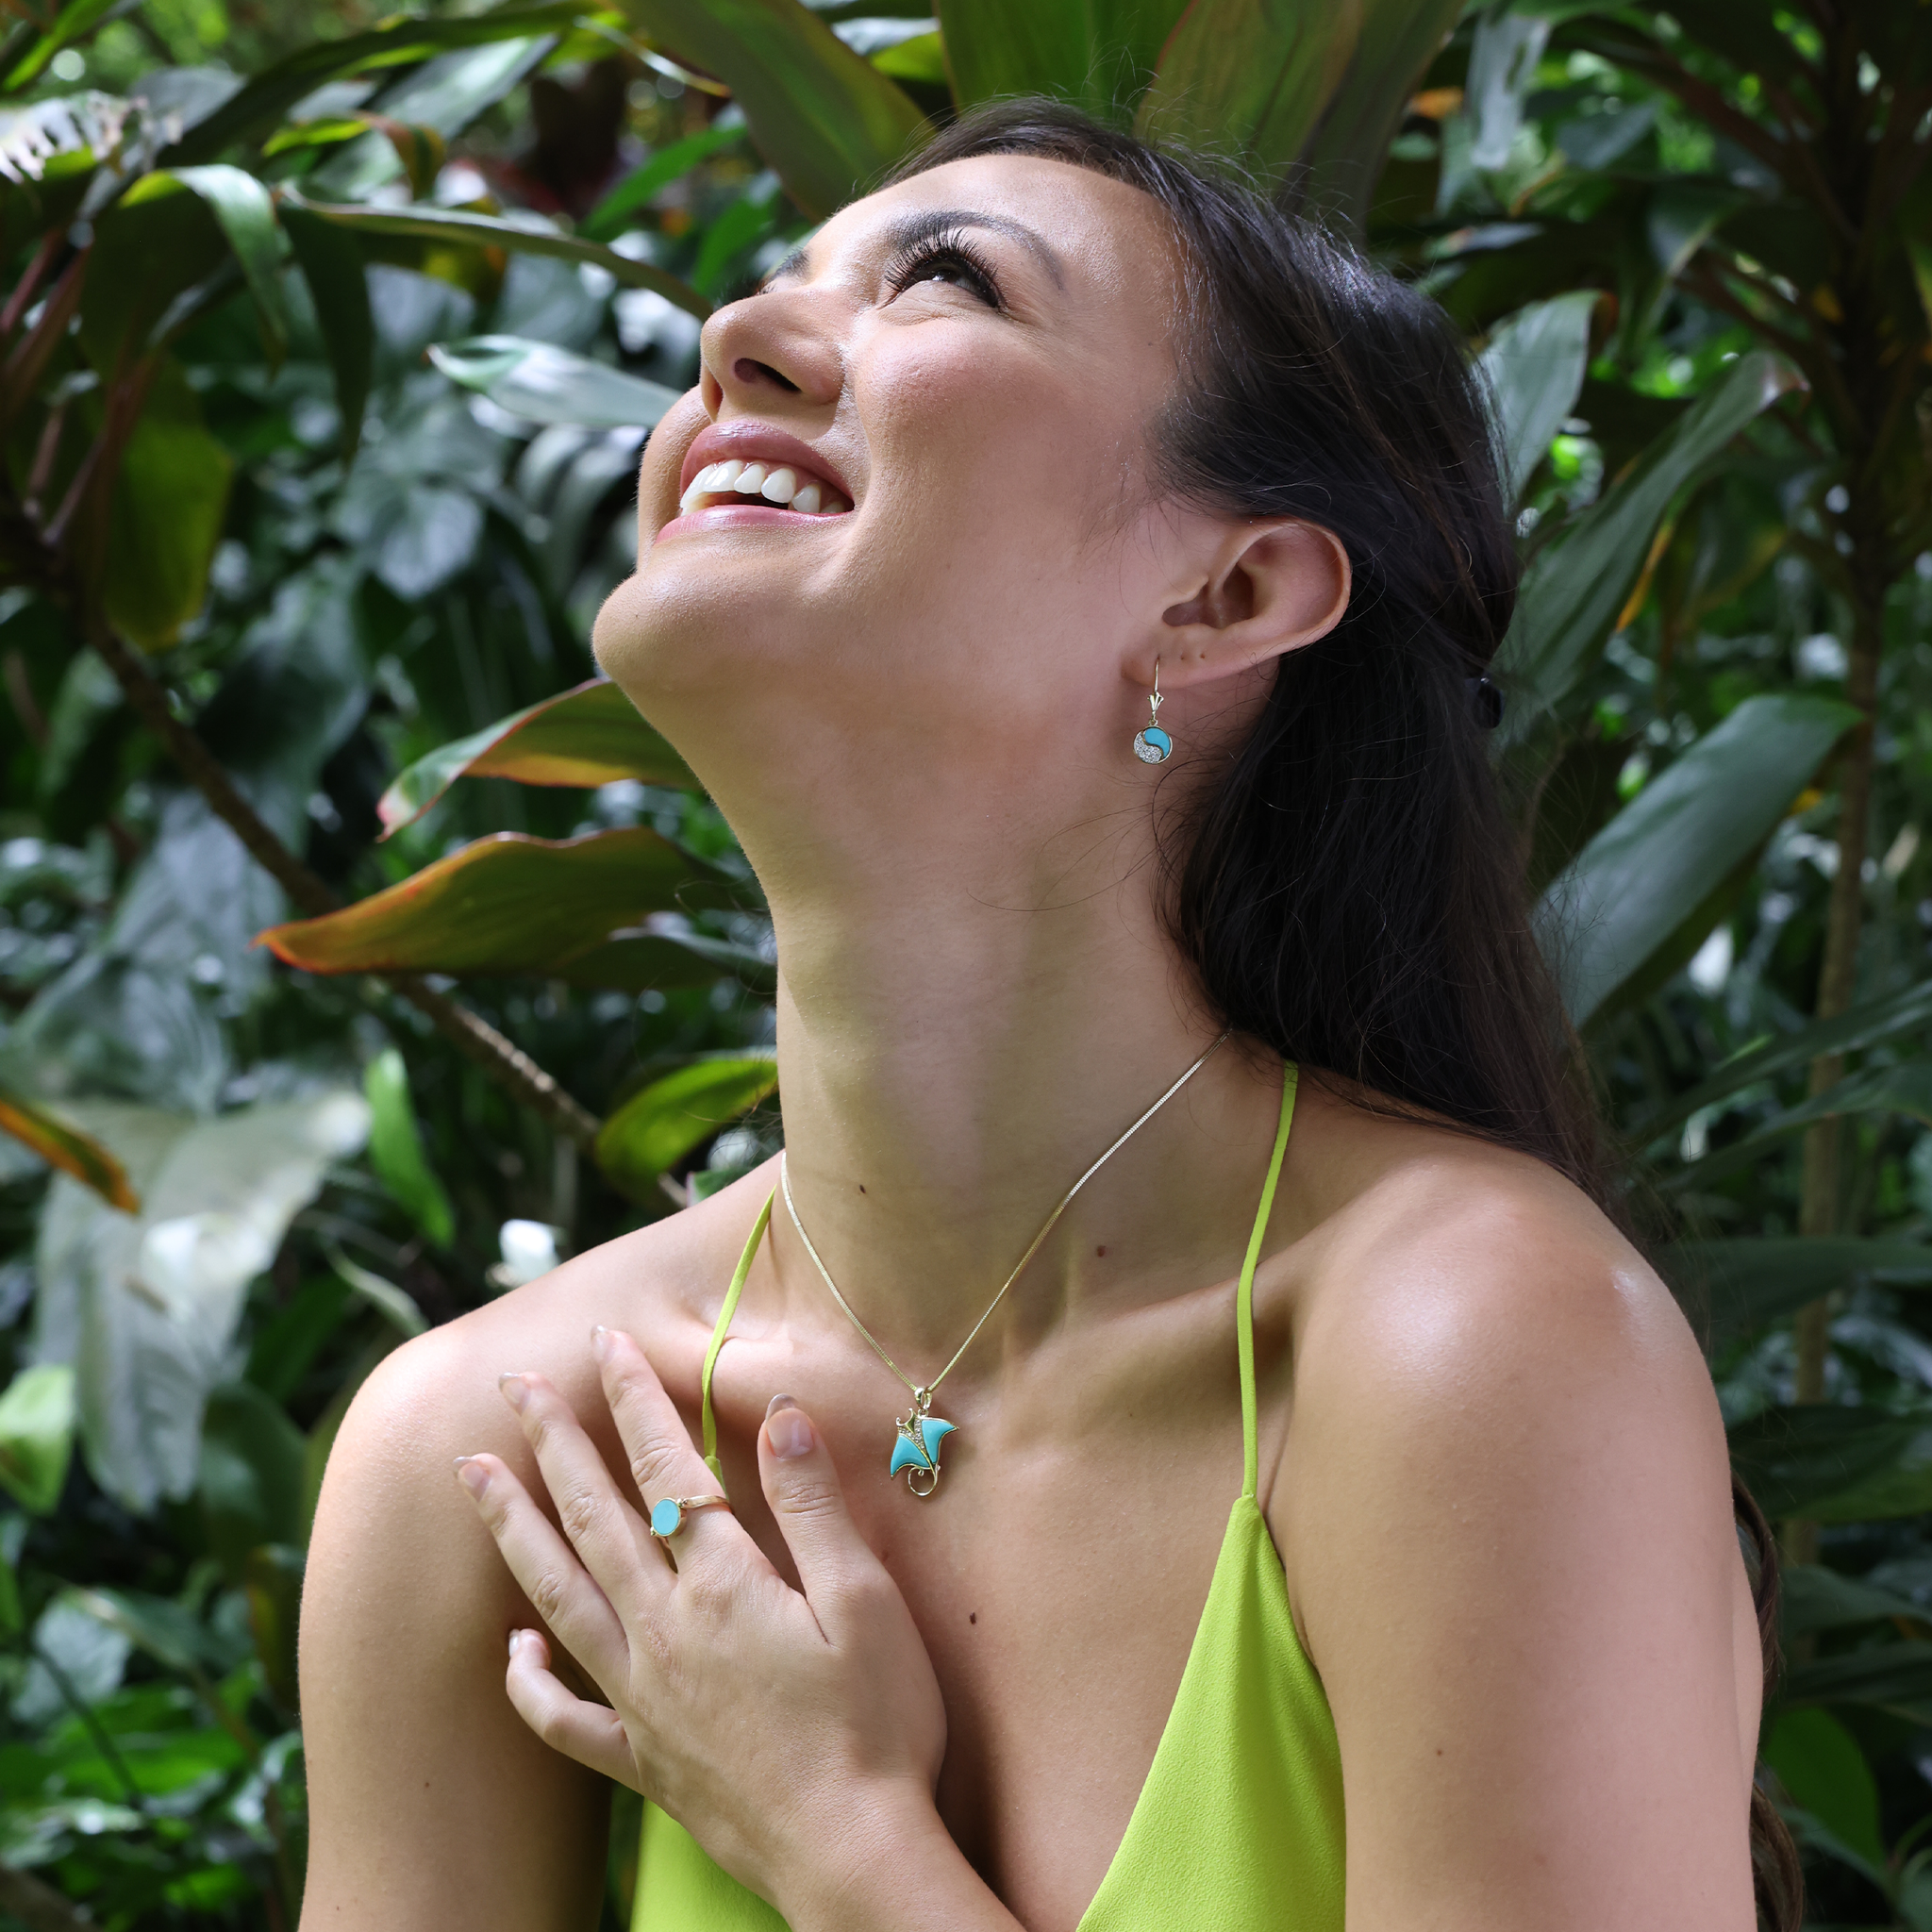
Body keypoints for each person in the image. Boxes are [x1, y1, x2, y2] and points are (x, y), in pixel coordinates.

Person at [297, 103, 1786, 1932]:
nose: (733, 341)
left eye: (942, 284)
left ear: (1226, 592)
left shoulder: (1467, 1351)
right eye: (777, 284)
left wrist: (837, 1837)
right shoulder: (488, 1456)